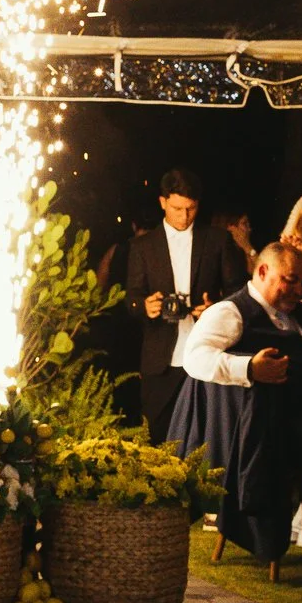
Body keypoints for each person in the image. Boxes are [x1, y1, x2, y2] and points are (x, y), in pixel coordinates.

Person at [172, 234, 302, 586]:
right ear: (262, 271)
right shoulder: (231, 312)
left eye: (301, 281)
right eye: (290, 280)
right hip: (270, 430)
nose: (297, 290)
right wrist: (249, 368)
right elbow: (194, 358)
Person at [123, 169, 243, 436]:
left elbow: (239, 293)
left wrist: (216, 308)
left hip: (207, 351)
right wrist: (144, 306)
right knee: (157, 437)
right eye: (177, 208)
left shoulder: (217, 240)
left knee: (206, 437)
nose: (184, 216)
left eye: (191, 209)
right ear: (163, 202)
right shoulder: (142, 246)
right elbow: (130, 297)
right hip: (161, 359)